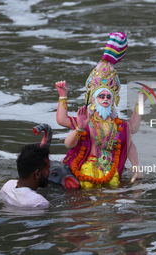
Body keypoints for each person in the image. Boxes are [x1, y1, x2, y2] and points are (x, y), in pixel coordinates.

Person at [55, 32, 148, 188]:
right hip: (88, 165)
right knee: (88, 186)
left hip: (111, 167)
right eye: (101, 96)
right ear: (93, 100)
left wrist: (136, 166)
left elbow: (131, 134)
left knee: (114, 188)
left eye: (108, 96)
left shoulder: (118, 124)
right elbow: (62, 122)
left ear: (113, 100)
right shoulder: (86, 119)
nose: (105, 99)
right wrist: (63, 96)